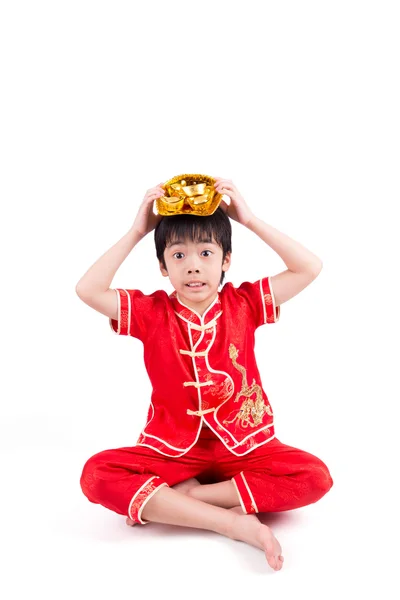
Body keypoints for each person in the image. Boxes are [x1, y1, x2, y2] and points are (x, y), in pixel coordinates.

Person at [76, 176, 333, 572]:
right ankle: (229, 521)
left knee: (314, 477)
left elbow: (309, 267)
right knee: (97, 475)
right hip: (172, 448)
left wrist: (249, 220)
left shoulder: (244, 303)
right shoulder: (151, 312)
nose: (193, 265)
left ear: (226, 260)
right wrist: (137, 232)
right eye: (178, 256)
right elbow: (87, 289)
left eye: (206, 253)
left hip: (244, 445)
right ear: (162, 267)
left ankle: (186, 500)